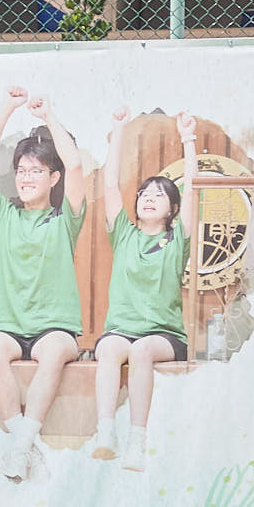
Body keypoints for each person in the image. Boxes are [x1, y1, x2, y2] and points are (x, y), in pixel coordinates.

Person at [0, 88, 86, 482]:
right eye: (21, 171)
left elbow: (76, 165)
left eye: (36, 171)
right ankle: (23, 442)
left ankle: (20, 444)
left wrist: (49, 115)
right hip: (5, 324)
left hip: (53, 326)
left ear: (53, 178)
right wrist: (7, 107)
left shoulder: (65, 219)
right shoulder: (3, 215)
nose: (26, 177)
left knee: (53, 353)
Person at [92, 110, 198, 473]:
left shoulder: (177, 238)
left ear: (173, 208)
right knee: (109, 349)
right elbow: (110, 184)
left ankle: (137, 441)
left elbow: (193, 188)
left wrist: (188, 140)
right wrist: (118, 129)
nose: (149, 198)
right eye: (144, 194)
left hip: (163, 336)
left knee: (140, 350)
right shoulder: (124, 234)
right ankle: (106, 432)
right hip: (121, 330)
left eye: (159, 194)